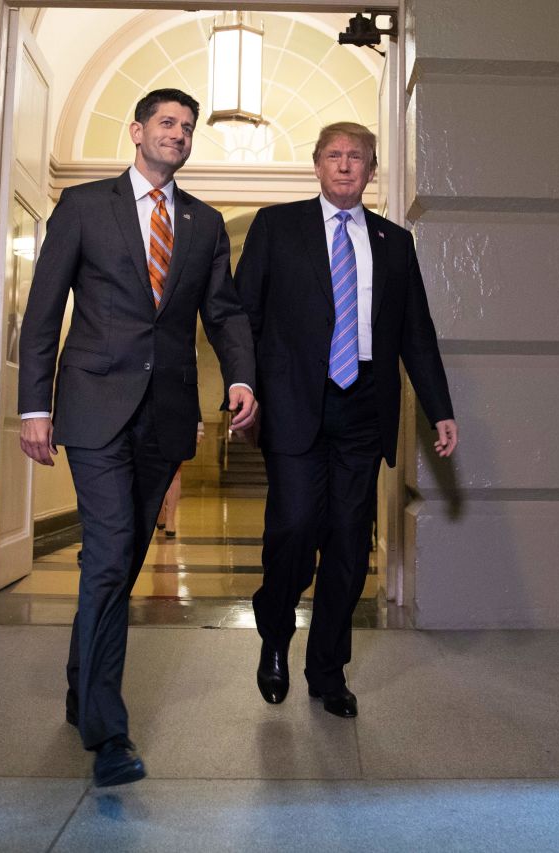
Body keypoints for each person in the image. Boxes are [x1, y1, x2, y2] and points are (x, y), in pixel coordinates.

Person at [18, 88, 257, 787]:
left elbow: (224, 310)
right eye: (166, 123)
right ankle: (108, 731)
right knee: (115, 551)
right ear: (137, 131)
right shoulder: (85, 206)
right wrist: (36, 405)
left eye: (187, 127)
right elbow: (43, 311)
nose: (178, 134)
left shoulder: (206, 224)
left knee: (113, 562)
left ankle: (78, 687)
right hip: (92, 407)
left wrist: (242, 376)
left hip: (166, 413)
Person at [235, 122, 457, 718]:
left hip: (363, 406)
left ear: (371, 169)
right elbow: (243, 316)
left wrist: (440, 409)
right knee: (292, 531)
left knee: (350, 548)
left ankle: (327, 670)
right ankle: (275, 636)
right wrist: (244, 388)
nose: (344, 165)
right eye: (333, 155)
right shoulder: (275, 227)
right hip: (293, 405)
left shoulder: (394, 241)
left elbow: (417, 334)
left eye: (356, 157)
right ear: (316, 165)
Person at [157, 420, 205, 537]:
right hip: (153, 423)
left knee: (175, 473)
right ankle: (160, 513)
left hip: (178, 423)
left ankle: (170, 519)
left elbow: (192, 401)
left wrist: (199, 427)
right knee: (156, 475)